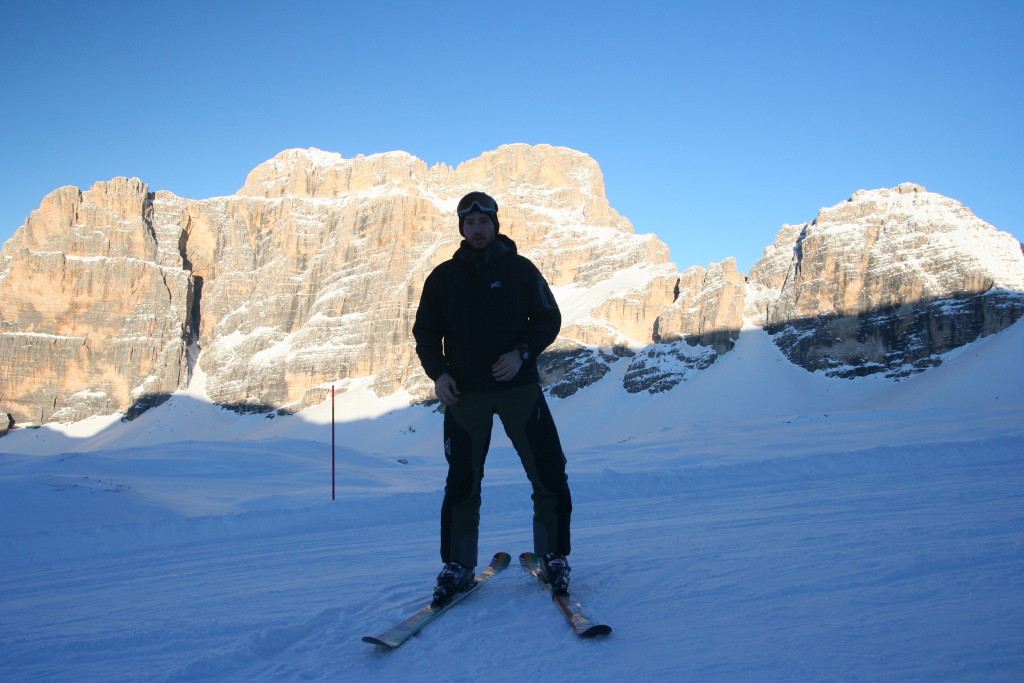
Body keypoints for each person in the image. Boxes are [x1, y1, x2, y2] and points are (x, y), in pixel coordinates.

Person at [413, 191, 573, 604]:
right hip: (465, 395)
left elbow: (548, 317)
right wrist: (440, 374)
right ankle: (458, 565)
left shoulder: (520, 270)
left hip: (518, 390)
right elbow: (426, 333)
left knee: (549, 473)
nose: (477, 229)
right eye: (469, 223)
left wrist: (521, 354)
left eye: (484, 222)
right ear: (461, 229)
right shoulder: (443, 277)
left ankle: (553, 556)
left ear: (495, 224)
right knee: (462, 483)